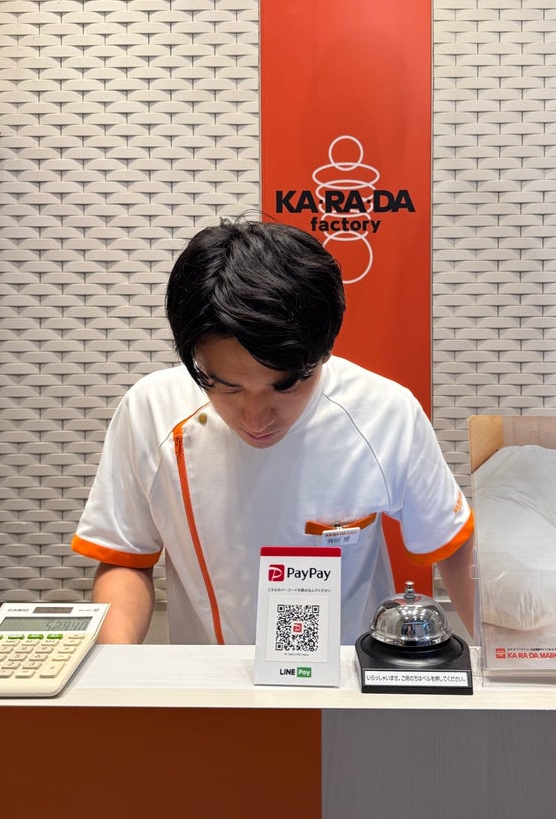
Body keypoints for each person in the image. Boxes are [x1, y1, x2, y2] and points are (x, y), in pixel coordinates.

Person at [72, 218, 475, 644]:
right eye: (227, 387)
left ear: (323, 353)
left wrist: (505, 660)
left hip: (345, 675)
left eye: (285, 386)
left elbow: (451, 545)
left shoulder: (385, 412)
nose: (256, 418)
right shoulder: (152, 410)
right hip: (208, 676)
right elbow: (126, 557)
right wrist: (115, 671)